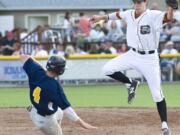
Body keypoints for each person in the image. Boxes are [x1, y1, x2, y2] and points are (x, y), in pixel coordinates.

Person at [90, 0, 175, 134]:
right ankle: (131, 83)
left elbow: (168, 18)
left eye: (140, 1)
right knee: (107, 69)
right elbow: (118, 15)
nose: (137, 3)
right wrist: (101, 18)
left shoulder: (153, 15)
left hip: (149, 59)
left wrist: (171, 7)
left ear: (145, 2)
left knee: (157, 94)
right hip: (132, 54)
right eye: (135, 1)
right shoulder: (129, 14)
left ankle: (164, 125)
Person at [20, 54, 97, 135]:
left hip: (34, 109)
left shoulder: (36, 71)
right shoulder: (54, 86)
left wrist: (39, 67)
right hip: (44, 120)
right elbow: (67, 109)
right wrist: (83, 123)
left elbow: (23, 56)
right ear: (60, 71)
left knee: (59, 112)